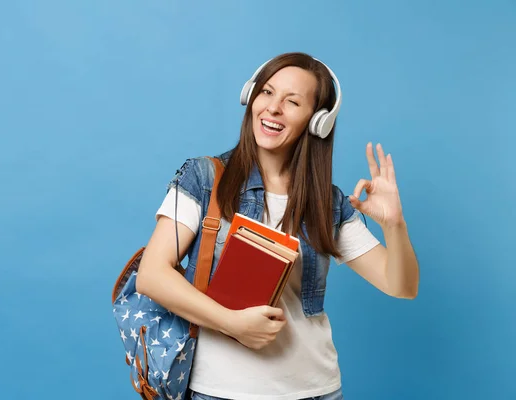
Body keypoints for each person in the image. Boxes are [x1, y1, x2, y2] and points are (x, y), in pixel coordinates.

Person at [136, 52, 419, 400]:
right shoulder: (205, 178)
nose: (272, 108)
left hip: (317, 389)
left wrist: (395, 224)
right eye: (267, 93)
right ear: (250, 96)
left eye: (292, 102)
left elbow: (401, 285)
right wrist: (231, 323)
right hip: (222, 392)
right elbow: (151, 275)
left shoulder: (326, 203)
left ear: (318, 122)